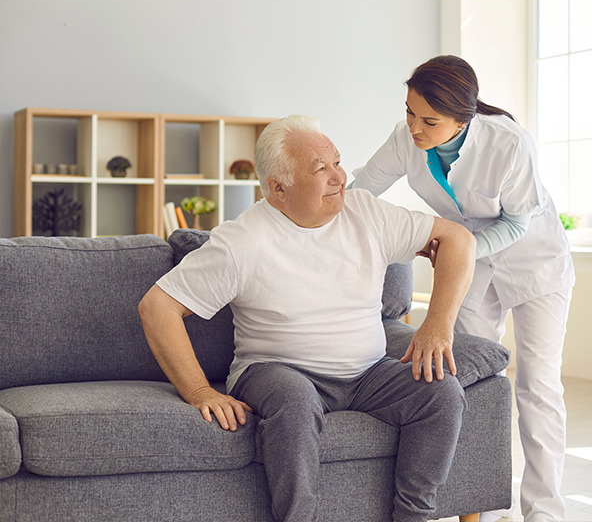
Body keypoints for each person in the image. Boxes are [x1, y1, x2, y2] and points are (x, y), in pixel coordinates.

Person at [138, 115, 477, 522]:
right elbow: (158, 307)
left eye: (337, 162)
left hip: (369, 374)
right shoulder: (242, 241)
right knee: (295, 399)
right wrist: (198, 391)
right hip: (275, 370)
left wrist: (436, 325)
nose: (339, 177)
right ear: (279, 188)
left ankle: (413, 518)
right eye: (321, 169)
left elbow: (458, 239)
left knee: (441, 391)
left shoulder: (366, 212)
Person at [350, 55, 575, 522]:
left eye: (429, 120)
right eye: (409, 112)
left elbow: (516, 220)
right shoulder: (405, 138)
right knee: (472, 380)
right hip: (474, 266)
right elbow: (361, 192)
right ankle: (483, 504)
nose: (415, 127)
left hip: (537, 263)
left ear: (463, 118)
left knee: (538, 385)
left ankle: (545, 512)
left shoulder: (509, 144)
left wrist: (461, 248)